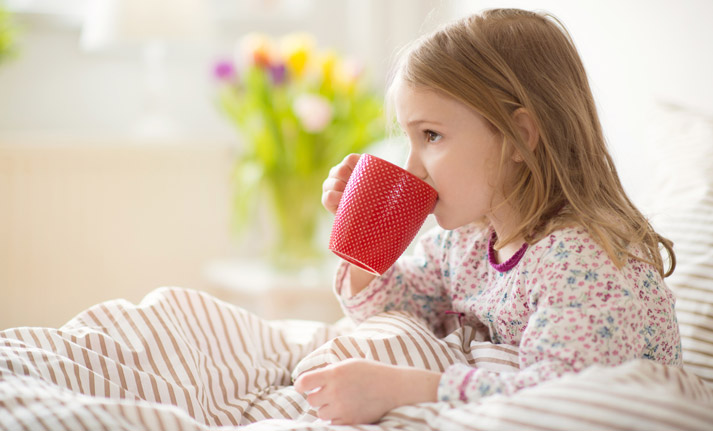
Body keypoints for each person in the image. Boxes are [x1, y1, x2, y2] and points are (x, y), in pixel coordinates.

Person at [295, 7, 681, 426]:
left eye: (431, 136)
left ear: (520, 138)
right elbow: (393, 309)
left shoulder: (581, 260)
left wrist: (407, 387)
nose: (412, 167)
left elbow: (563, 394)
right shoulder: (469, 240)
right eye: (410, 138)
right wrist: (362, 234)